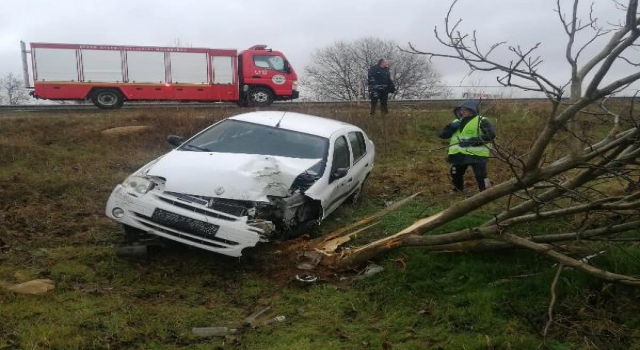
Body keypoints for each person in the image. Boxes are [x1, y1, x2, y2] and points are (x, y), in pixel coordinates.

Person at [438, 100, 497, 192]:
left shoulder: (482, 120)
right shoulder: (456, 122)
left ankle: (487, 191)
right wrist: (449, 127)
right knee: (455, 173)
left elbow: (491, 134)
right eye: (461, 109)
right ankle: (458, 190)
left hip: (477, 154)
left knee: (481, 175)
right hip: (458, 154)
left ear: (471, 110)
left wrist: (471, 141)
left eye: (464, 109)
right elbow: (442, 135)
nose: (462, 111)